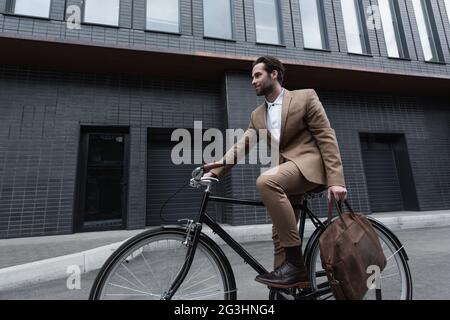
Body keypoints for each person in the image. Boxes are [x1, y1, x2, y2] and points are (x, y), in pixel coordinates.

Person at [203, 56, 347, 289]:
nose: (253, 81)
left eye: (257, 75)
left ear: (274, 74)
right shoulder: (257, 115)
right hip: (288, 171)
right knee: (279, 235)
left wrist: (336, 180)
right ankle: (287, 288)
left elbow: (326, 136)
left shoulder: (304, 97)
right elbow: (242, 145)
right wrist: (216, 171)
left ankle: (295, 266)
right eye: (252, 77)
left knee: (267, 182)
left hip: (310, 166)